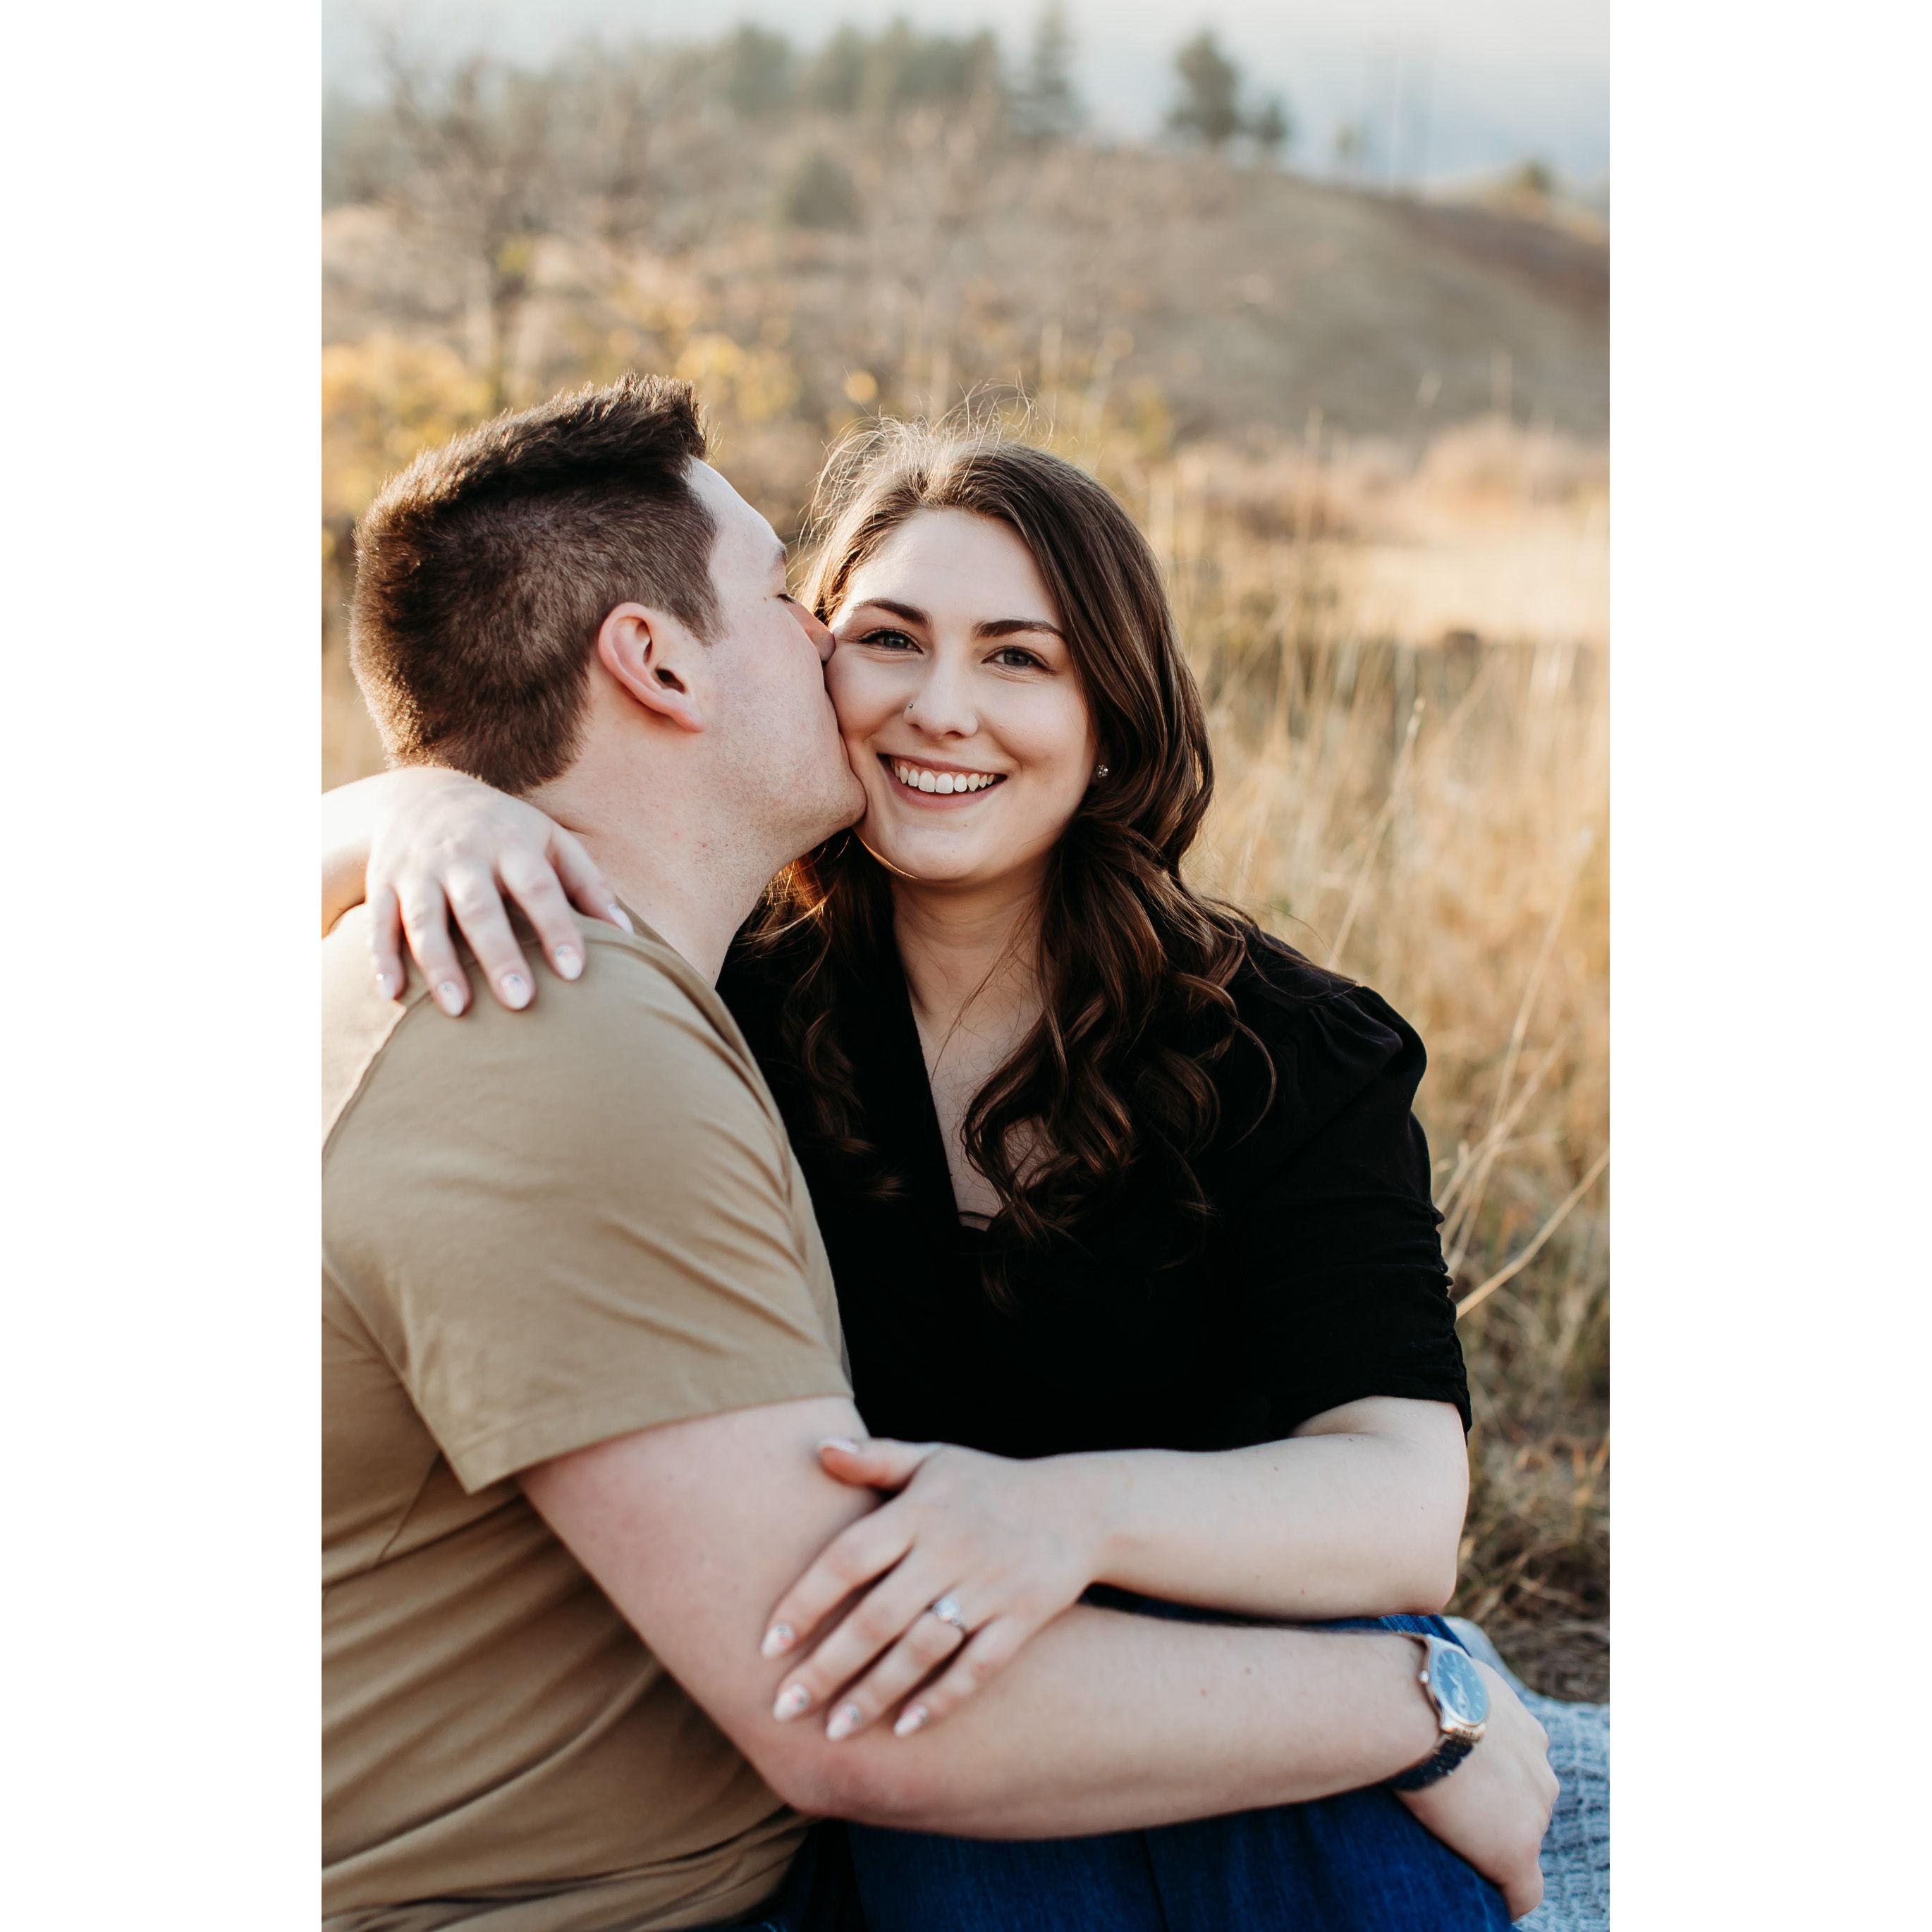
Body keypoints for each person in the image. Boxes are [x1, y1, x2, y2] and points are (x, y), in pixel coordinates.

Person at [322, 374, 1556, 1932]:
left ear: (1110, 711)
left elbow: (1398, 1501)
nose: (939, 708)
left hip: (1246, 1675)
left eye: (1017, 658)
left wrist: (1064, 1516)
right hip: (924, 1726)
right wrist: (408, 805)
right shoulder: (715, 993)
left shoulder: (1284, 1045)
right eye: (883, 637)